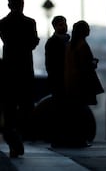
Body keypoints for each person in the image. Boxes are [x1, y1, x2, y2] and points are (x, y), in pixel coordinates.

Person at [0, 0, 40, 157]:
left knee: (9, 108)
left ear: (9, 4)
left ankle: (11, 138)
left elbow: (8, 41)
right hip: (25, 70)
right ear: (23, 3)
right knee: (25, 107)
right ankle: (19, 137)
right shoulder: (30, 23)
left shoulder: (1, 24)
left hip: (9, 70)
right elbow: (32, 43)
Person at [63, 20, 104, 147]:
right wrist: (94, 63)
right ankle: (80, 139)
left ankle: (73, 138)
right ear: (83, 31)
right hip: (81, 83)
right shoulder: (83, 45)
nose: (89, 30)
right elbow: (86, 65)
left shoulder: (69, 45)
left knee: (73, 113)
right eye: (87, 28)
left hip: (70, 82)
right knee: (81, 113)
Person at [44, 15, 70, 146]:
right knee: (59, 111)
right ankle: (57, 138)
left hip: (68, 80)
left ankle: (65, 137)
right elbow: (50, 64)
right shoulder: (52, 42)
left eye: (64, 24)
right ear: (55, 27)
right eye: (61, 24)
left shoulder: (68, 41)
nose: (64, 26)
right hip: (59, 81)